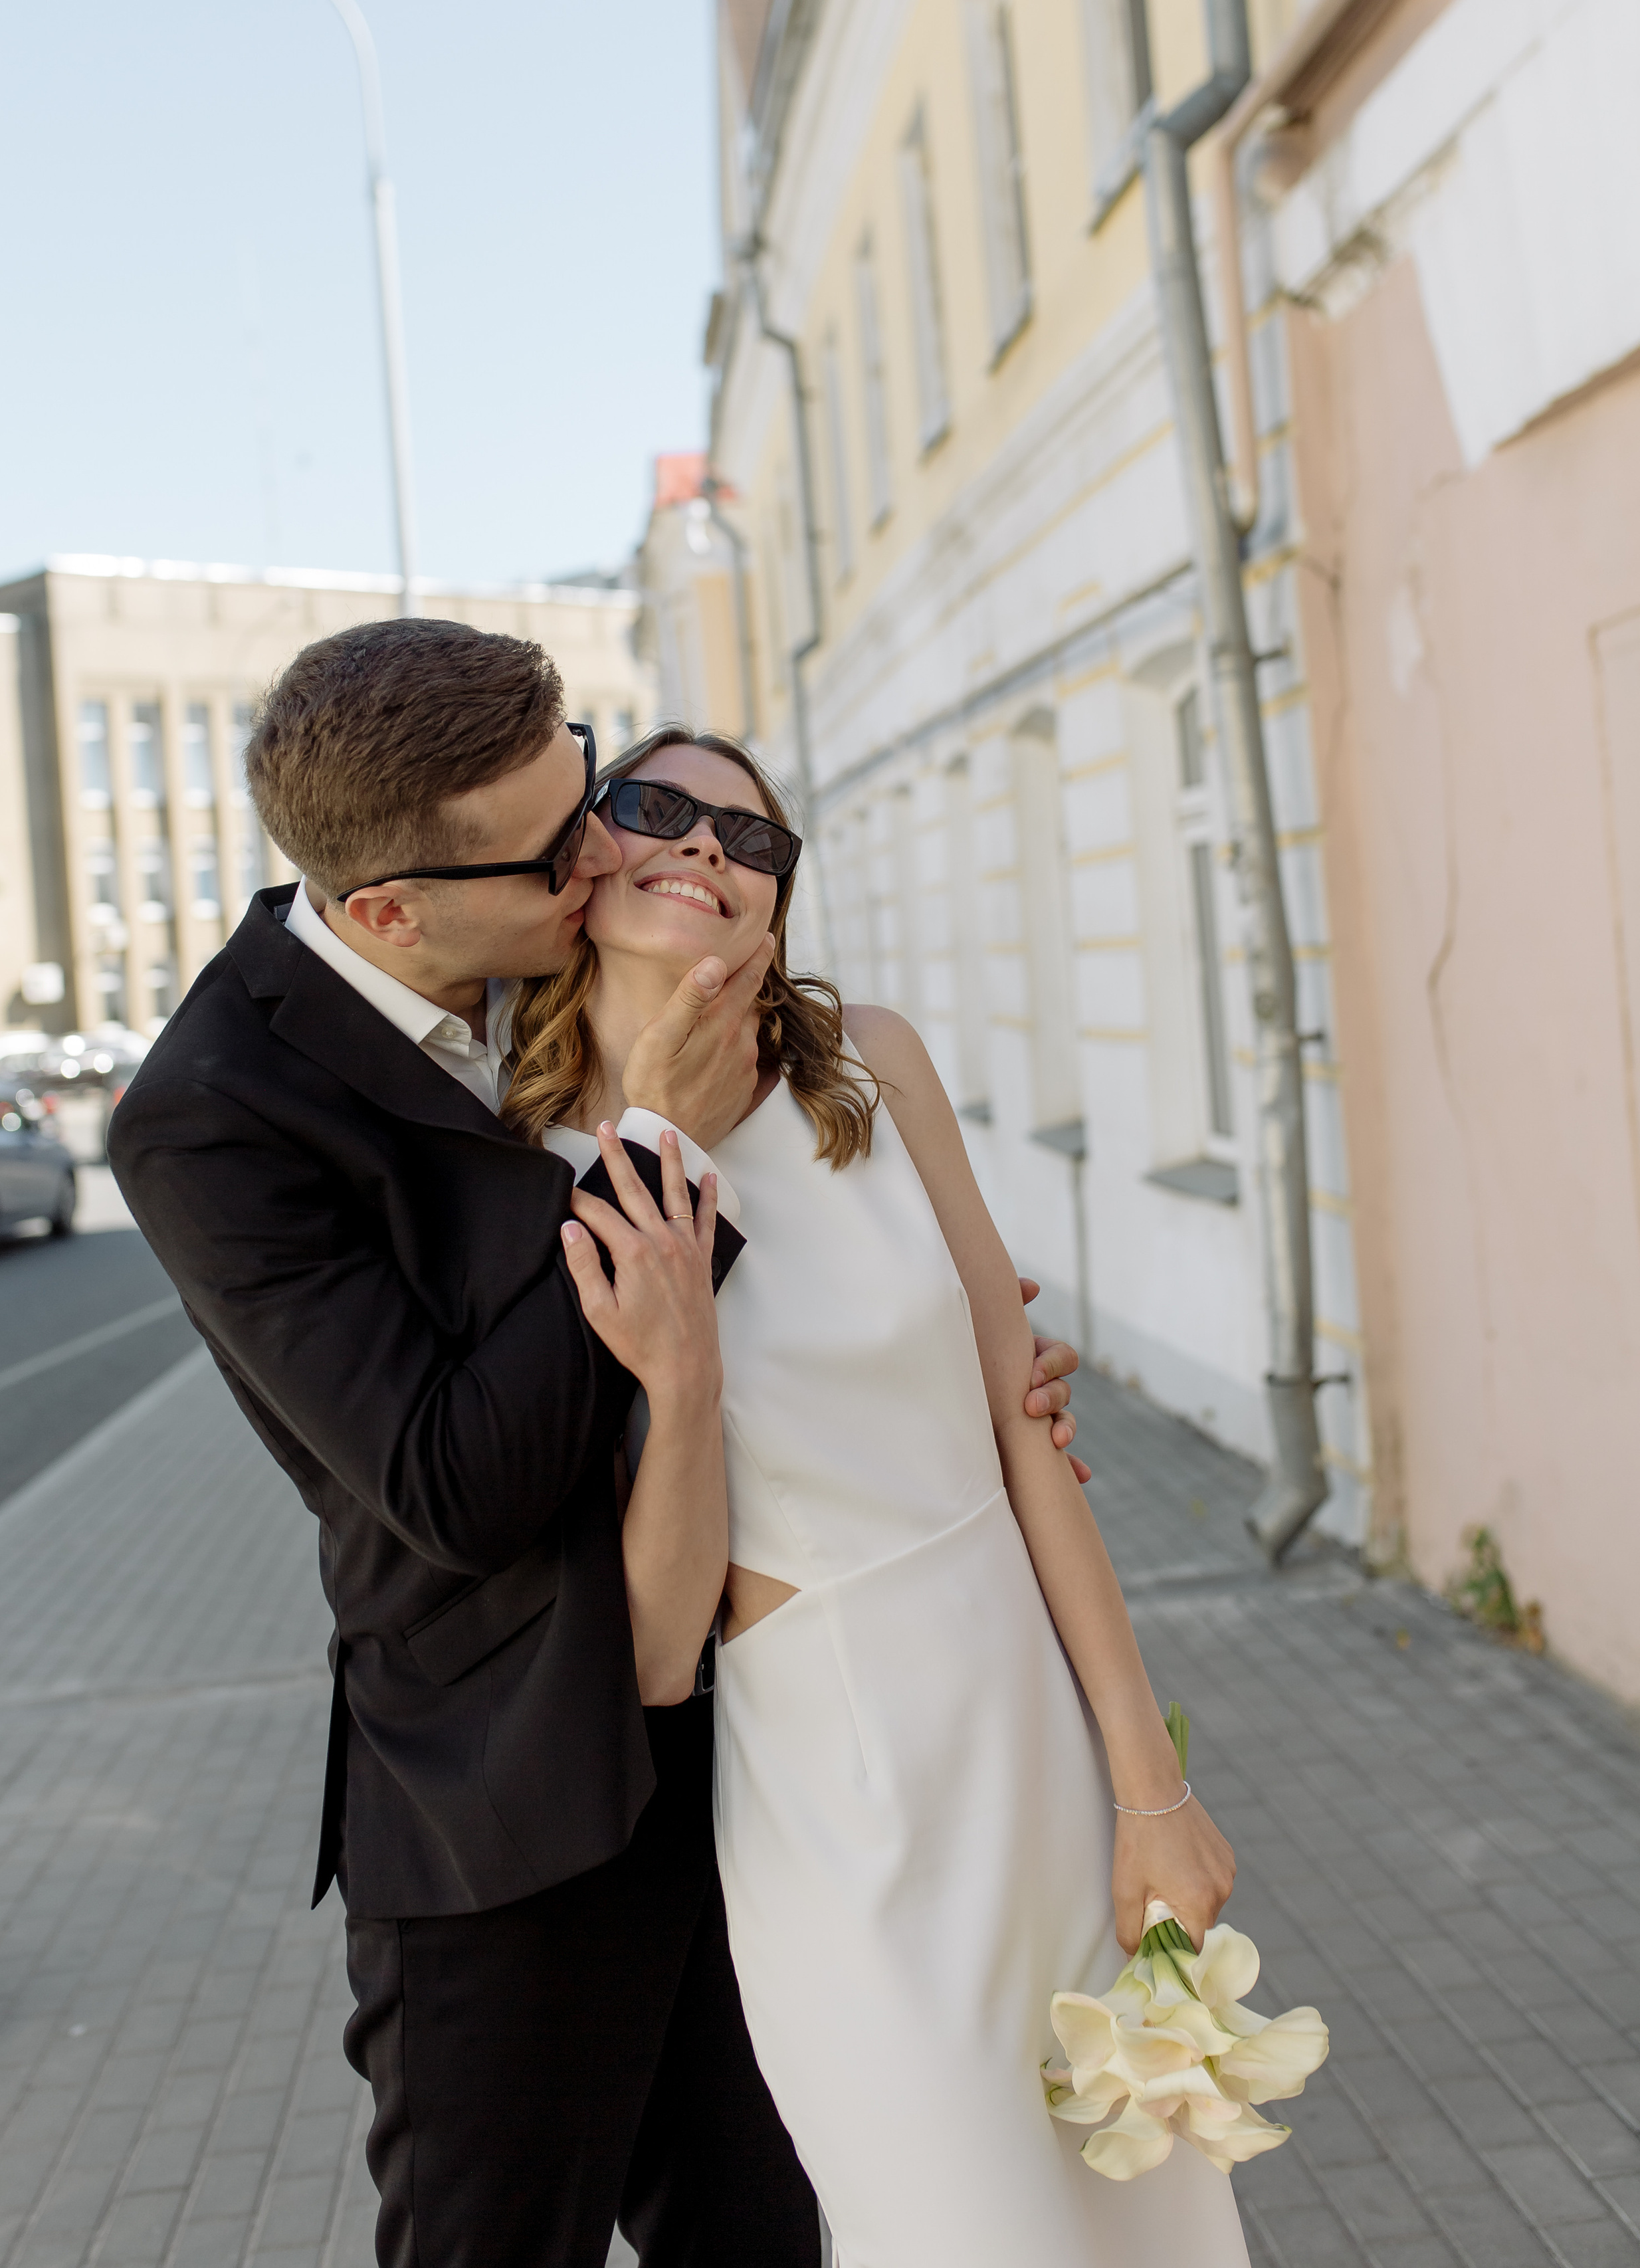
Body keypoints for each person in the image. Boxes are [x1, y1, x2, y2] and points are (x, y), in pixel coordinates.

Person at [109, 618, 1088, 2268]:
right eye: (556, 846)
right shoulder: (211, 1117)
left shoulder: (548, 956)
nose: (597, 856)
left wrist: (948, 1333)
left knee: (779, 2228)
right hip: (516, 1787)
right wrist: (656, 1148)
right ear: (388, 912)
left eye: (588, 791)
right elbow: (454, 1486)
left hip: (766, 1747)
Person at [510, 724, 1253, 2267]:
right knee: (953, 2223)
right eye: (657, 809)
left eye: (753, 839)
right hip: (827, 1785)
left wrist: (1148, 1786)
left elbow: (1020, 1433)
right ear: (584, 856)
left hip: (1023, 1716)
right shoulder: (534, 1168)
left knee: (1141, 2215)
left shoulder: (870, 1063)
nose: (707, 848)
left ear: (777, 903)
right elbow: (654, 1637)